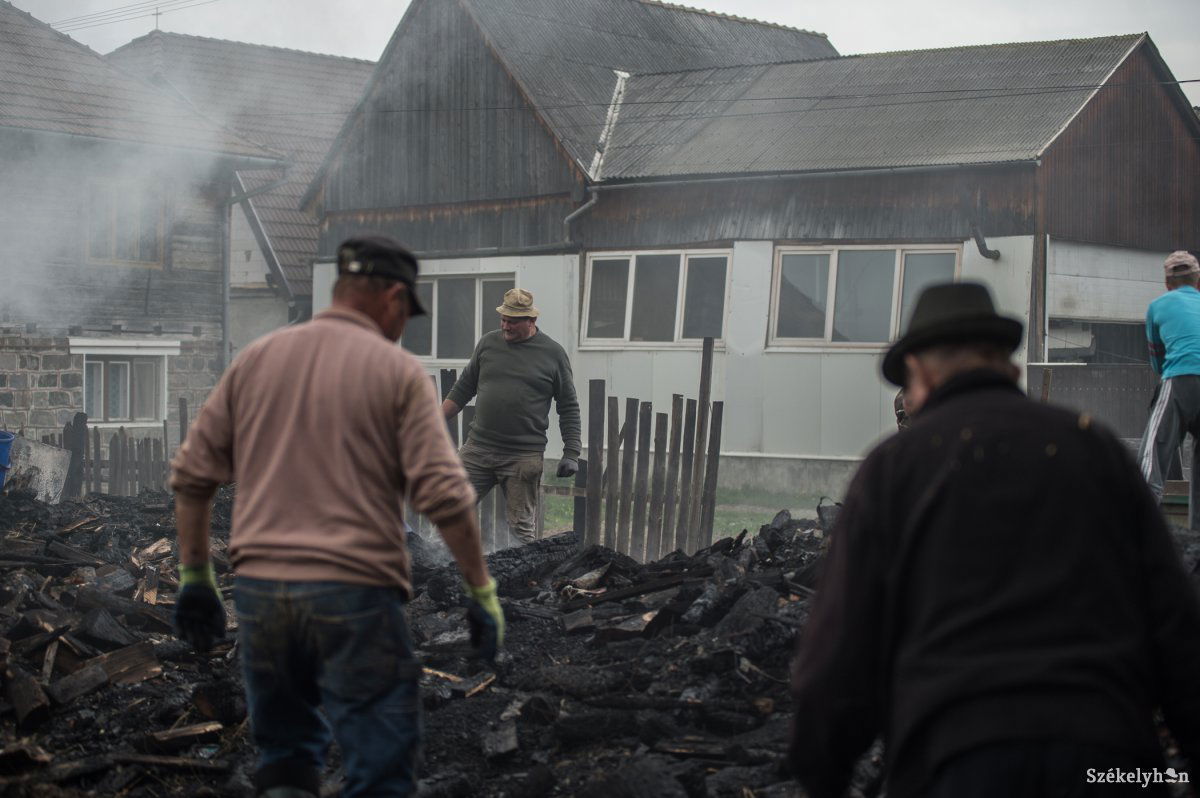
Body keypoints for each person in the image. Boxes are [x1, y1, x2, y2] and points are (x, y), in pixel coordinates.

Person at [789, 282, 1200, 798]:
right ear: (1008, 365)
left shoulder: (892, 471)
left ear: (919, 374)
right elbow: (1177, 628)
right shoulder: (1093, 448)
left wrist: (822, 778)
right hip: (1108, 759)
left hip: (956, 761)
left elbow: (839, 655)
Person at [169, 235, 504, 798]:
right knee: (380, 757)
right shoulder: (395, 371)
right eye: (405, 312)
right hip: (353, 590)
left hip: (262, 594)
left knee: (285, 755)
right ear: (392, 296)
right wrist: (480, 591)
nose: (402, 325)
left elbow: (194, 476)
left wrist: (196, 578)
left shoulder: (256, 359)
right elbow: (445, 496)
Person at [442, 288, 581, 547]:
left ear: (531, 321)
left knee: (521, 530)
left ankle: (526, 583)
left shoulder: (553, 354)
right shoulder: (488, 344)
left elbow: (568, 406)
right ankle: (437, 571)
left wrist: (571, 453)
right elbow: (462, 390)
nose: (505, 326)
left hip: (522, 456)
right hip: (478, 449)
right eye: (503, 319)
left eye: (513, 321)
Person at [1137, 250, 1200, 531]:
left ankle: (1139, 531)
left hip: (1179, 379)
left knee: (1153, 458)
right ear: (1197, 281)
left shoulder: (1157, 307)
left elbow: (1157, 359)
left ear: (1166, 283)